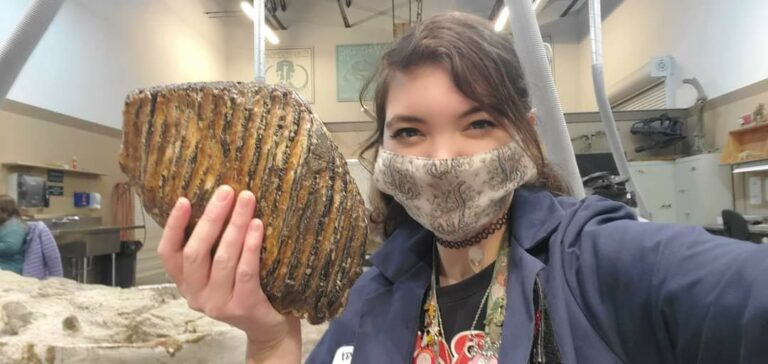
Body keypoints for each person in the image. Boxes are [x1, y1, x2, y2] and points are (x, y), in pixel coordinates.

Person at [157, 12, 768, 364]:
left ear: (525, 137)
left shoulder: (600, 264)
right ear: (385, 152)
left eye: (477, 123)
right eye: (411, 131)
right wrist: (268, 338)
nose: (443, 158)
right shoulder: (372, 296)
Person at [0, 195, 28, 274]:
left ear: (3, 209)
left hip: (8, 266)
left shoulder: (14, 225)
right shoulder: (4, 223)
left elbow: (10, 247)